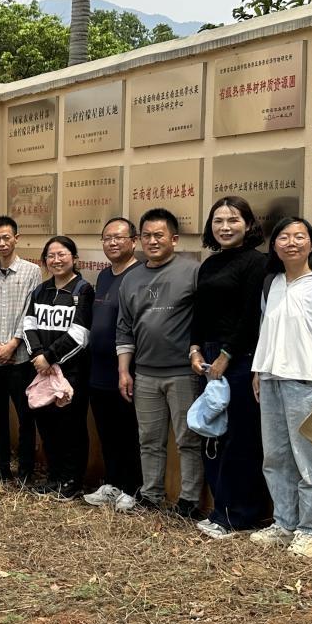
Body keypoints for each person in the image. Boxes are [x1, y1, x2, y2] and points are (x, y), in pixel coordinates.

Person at [250, 217, 312, 558]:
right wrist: (258, 372)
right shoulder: (271, 283)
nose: (291, 243)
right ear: (274, 245)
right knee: (276, 458)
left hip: (307, 383)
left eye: (299, 237)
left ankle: (310, 532)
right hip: (272, 379)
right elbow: (266, 331)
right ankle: (284, 523)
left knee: (311, 461)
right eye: (283, 237)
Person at [190, 198, 271, 540]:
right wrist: (195, 348)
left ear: (248, 224)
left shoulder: (258, 263)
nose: (225, 227)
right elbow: (200, 311)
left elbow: (252, 316)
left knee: (240, 438)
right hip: (208, 356)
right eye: (218, 220)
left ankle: (240, 515)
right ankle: (220, 509)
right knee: (212, 432)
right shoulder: (209, 264)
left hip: (241, 358)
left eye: (233, 220)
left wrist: (227, 355)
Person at [115, 208, 203, 517]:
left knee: (188, 440)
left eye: (159, 235)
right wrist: (124, 371)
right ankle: (151, 494)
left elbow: (204, 321)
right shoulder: (131, 278)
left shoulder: (192, 271)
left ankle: (189, 500)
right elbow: (124, 328)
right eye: (147, 236)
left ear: (174, 239)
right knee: (149, 439)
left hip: (183, 373)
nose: (152, 241)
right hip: (145, 374)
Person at [23, 236, 94, 499]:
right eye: (51, 256)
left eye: (62, 254)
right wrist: (38, 356)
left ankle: (71, 481)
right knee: (47, 425)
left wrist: (50, 358)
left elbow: (80, 334)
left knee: (71, 427)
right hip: (42, 372)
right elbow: (28, 324)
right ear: (44, 261)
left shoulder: (83, 290)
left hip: (71, 373)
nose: (56, 260)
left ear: (74, 258)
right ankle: (54, 477)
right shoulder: (40, 291)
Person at [0, 215, 42, 485]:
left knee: (26, 416)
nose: (2, 243)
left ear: (16, 238)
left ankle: (25, 471)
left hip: (21, 358)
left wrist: (13, 343)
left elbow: (30, 312)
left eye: (6, 237)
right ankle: (1, 468)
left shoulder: (31, 271)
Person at [84, 218, 143, 512]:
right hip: (98, 368)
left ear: (134, 240)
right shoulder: (105, 275)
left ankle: (133, 488)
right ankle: (112, 483)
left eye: (119, 237)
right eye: (107, 238)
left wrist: (126, 368)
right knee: (106, 431)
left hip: (126, 369)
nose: (112, 243)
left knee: (128, 430)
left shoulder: (140, 274)